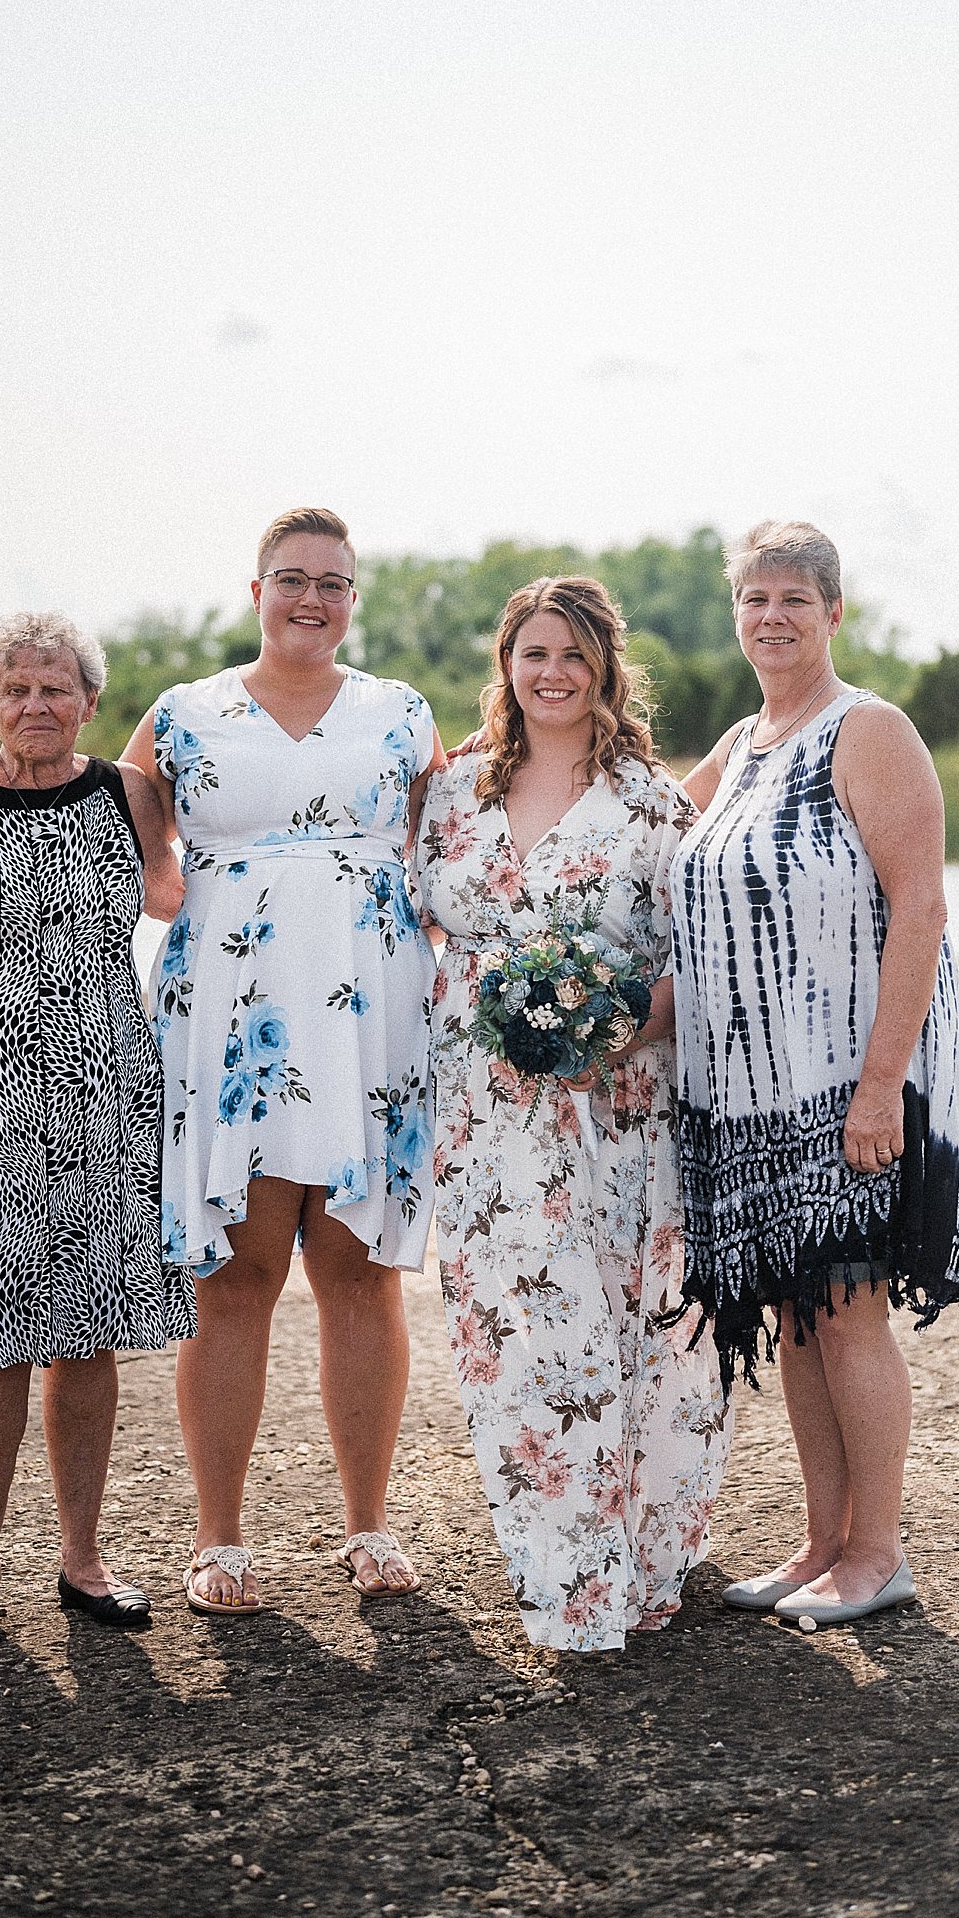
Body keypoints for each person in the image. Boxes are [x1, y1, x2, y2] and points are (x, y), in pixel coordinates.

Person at [670, 519, 959, 1630]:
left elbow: (919, 906)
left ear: (834, 613)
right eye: (753, 598)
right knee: (797, 1312)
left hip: (848, 1083)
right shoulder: (735, 747)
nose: (770, 616)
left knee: (850, 1309)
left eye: (793, 598)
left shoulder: (866, 731)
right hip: (751, 1094)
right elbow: (651, 867)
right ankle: (822, 1539)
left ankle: (879, 1550)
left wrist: (880, 1088)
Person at [122, 507, 444, 1612]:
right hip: (233, 1014)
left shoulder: (401, 712)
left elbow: (451, 849)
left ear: (356, 597)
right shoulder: (181, 714)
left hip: (371, 1018)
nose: (313, 598)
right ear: (254, 588)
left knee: (361, 1276)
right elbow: (124, 835)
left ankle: (367, 1524)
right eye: (292, 578)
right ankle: (219, 1539)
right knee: (237, 1275)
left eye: (335, 582)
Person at [415, 577, 731, 1654]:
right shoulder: (450, 792)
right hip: (487, 1124)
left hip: (621, 1113)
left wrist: (620, 1024)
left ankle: (641, 1556)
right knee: (519, 1342)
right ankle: (561, 1572)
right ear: (506, 663)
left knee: (628, 1337)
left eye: (574, 656)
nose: (552, 673)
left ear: (604, 669)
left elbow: (702, 961)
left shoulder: (649, 803)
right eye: (533, 653)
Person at [0, 612, 194, 1652]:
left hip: (108, 1103)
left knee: (89, 1338)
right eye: (15, 689)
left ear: (92, 704)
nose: (36, 707)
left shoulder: (129, 794)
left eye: (57, 689)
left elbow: (191, 890)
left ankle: (83, 1559)